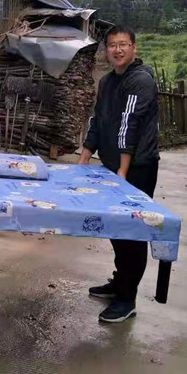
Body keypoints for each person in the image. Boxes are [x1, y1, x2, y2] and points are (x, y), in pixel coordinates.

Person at [78, 25, 159, 323]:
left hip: (137, 168)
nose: (117, 50)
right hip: (112, 166)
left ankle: (127, 298)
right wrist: (85, 156)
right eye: (112, 45)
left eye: (123, 44)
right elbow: (98, 120)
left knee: (132, 231)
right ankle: (120, 282)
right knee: (114, 227)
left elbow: (130, 125)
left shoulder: (140, 81)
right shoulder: (108, 81)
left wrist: (122, 172)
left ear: (134, 48)